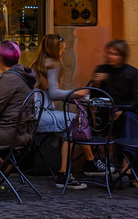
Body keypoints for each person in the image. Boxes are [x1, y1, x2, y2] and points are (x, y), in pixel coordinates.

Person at [31, 34, 102, 188]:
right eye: (62, 49)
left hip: (33, 116)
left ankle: (65, 175)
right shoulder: (53, 63)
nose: (63, 52)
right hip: (41, 116)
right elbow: (54, 94)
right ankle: (89, 163)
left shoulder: (37, 64)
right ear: (54, 49)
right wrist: (77, 93)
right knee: (77, 121)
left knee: (69, 131)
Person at [92, 39, 138, 182]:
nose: (110, 56)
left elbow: (135, 102)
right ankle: (133, 171)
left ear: (123, 56)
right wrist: (96, 84)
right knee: (132, 124)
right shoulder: (101, 70)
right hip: (106, 120)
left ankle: (127, 161)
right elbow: (93, 101)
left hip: (126, 117)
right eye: (109, 53)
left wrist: (122, 111)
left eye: (115, 54)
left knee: (129, 118)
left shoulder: (132, 73)